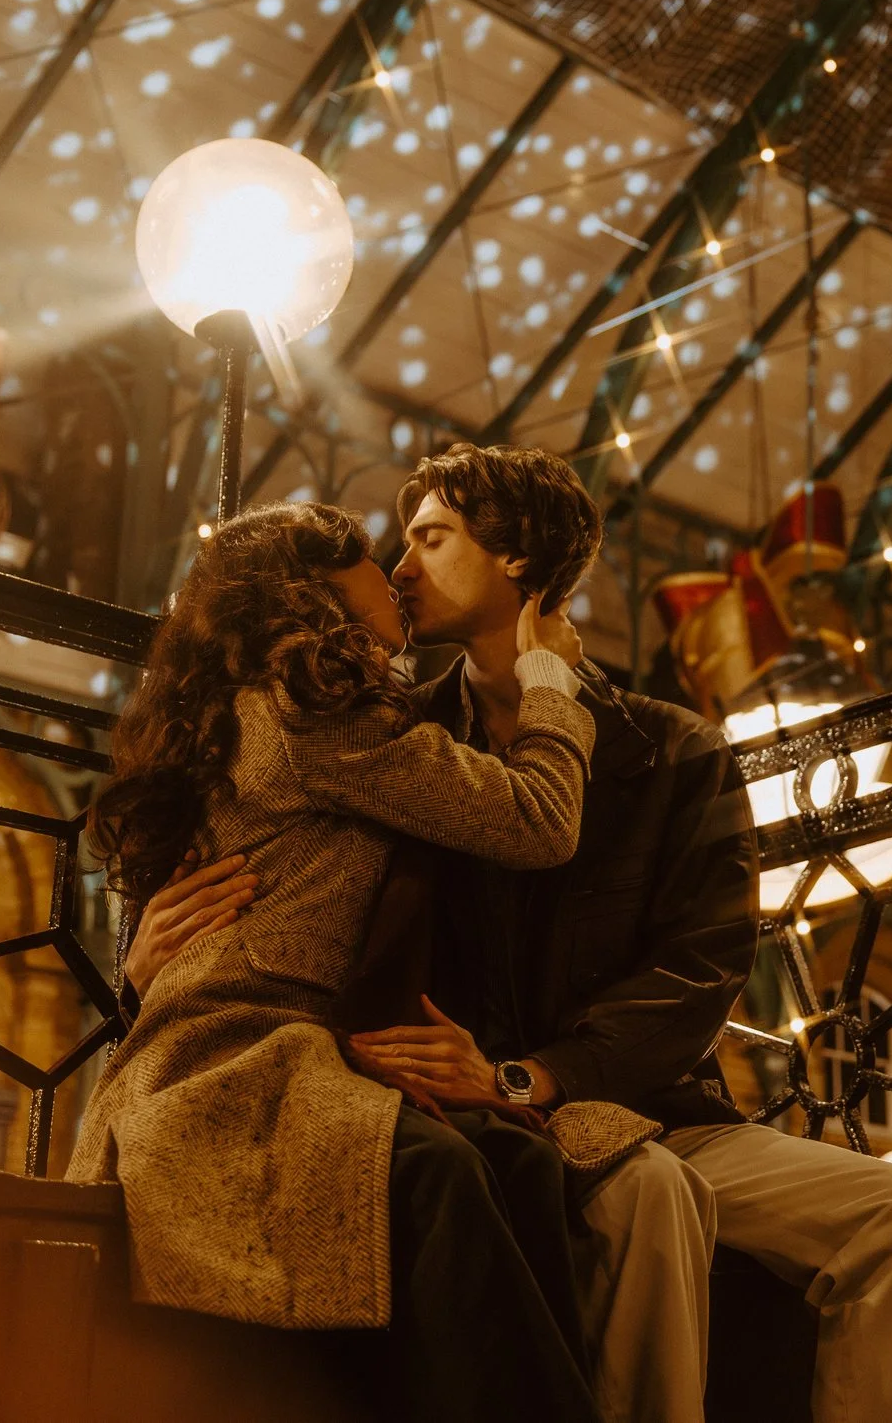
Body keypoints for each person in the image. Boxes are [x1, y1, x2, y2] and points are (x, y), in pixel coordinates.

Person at [123, 447, 892, 1423]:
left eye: (429, 537)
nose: (401, 567)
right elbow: (278, 882)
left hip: (623, 1095)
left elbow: (699, 966)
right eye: (399, 541)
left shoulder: (670, 747)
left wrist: (534, 1073)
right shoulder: (383, 729)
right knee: (649, 1197)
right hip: (453, 1097)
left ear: (521, 559)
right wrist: (155, 958)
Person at [74, 502, 640, 1423]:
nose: (397, 579)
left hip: (249, 1050)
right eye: (378, 561)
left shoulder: (245, 707)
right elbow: (539, 820)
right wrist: (546, 677)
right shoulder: (311, 709)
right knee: (445, 1173)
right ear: (316, 594)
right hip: (236, 1061)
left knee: (516, 1164)